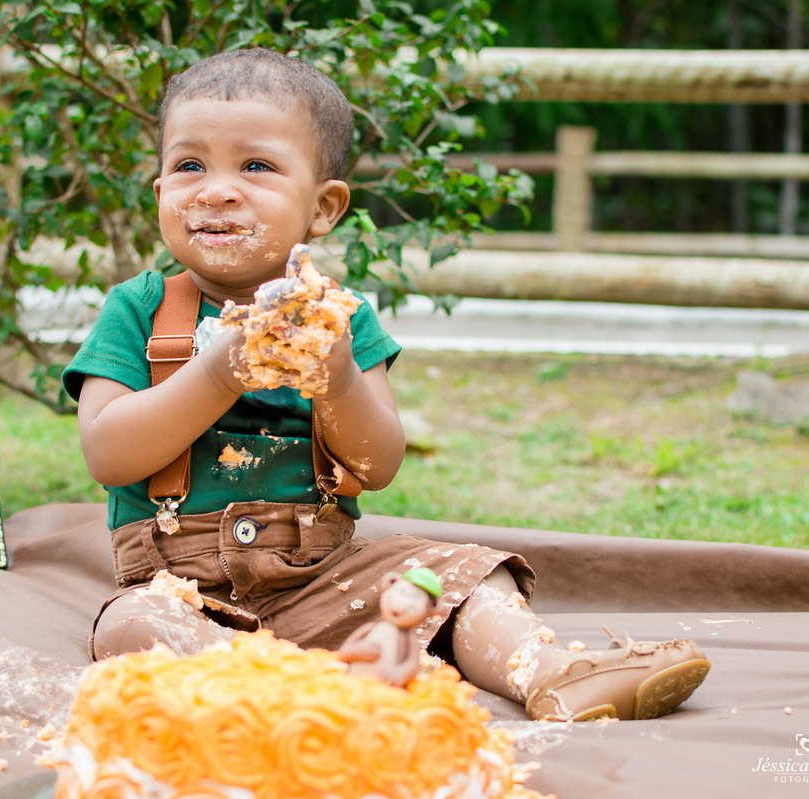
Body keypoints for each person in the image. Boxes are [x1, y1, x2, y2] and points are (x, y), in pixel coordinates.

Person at [61, 48, 710, 722]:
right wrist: (219, 370)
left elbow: (376, 465)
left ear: (324, 208)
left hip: (326, 584)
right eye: (189, 165)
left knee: (470, 575)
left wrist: (335, 374)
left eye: (255, 166)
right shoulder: (137, 311)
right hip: (183, 594)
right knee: (129, 627)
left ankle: (547, 671)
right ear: (161, 193)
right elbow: (109, 455)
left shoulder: (342, 320)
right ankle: (288, 692)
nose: (216, 189)